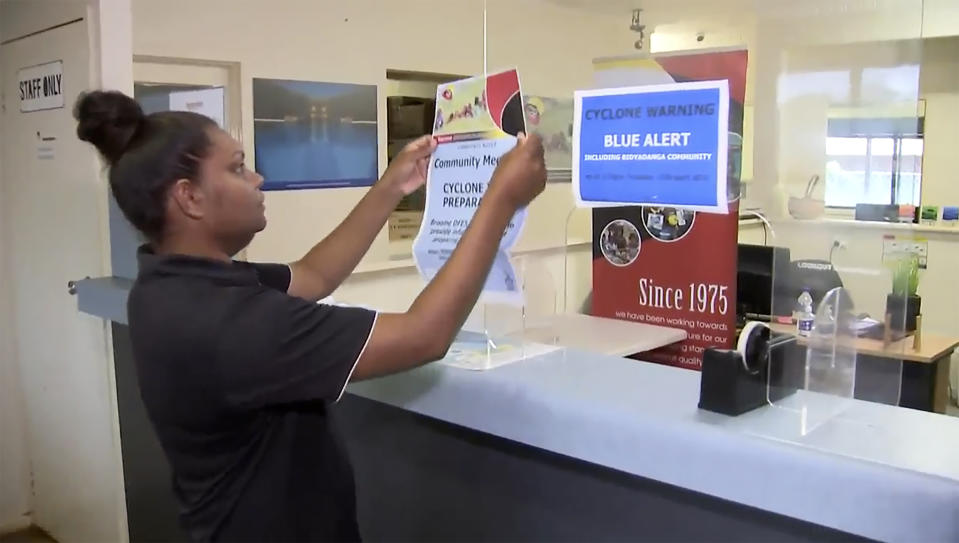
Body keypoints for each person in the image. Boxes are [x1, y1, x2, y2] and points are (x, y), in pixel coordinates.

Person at [74, 90, 546, 542]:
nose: (257, 178)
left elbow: (313, 276)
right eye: (238, 168)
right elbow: (424, 335)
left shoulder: (169, 286)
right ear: (189, 198)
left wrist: (392, 186)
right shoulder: (229, 323)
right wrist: (500, 198)